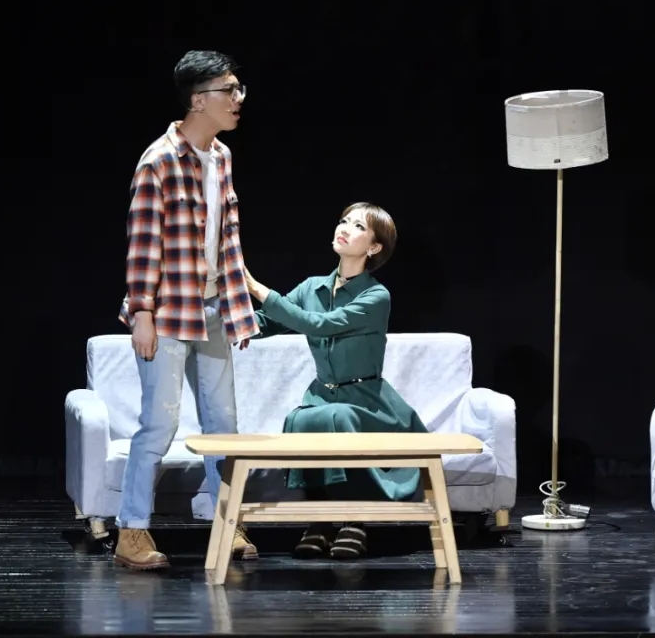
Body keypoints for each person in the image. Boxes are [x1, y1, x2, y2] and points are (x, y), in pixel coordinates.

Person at [113, 50, 260, 570]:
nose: (238, 99)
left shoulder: (221, 157)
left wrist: (239, 306)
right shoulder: (158, 161)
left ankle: (226, 521)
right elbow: (143, 243)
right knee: (159, 423)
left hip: (214, 308)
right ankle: (131, 530)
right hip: (168, 311)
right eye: (229, 90)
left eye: (239, 89)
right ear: (198, 100)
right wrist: (143, 313)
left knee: (224, 424)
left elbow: (228, 237)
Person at [241, 202, 429, 559]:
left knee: (339, 417)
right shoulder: (312, 287)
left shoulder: (376, 296)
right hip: (322, 395)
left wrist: (256, 287)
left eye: (358, 226)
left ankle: (355, 521)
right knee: (301, 418)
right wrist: (223, 321)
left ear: (374, 247)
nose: (345, 228)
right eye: (344, 221)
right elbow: (267, 322)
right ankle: (320, 520)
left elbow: (320, 325)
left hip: (366, 401)